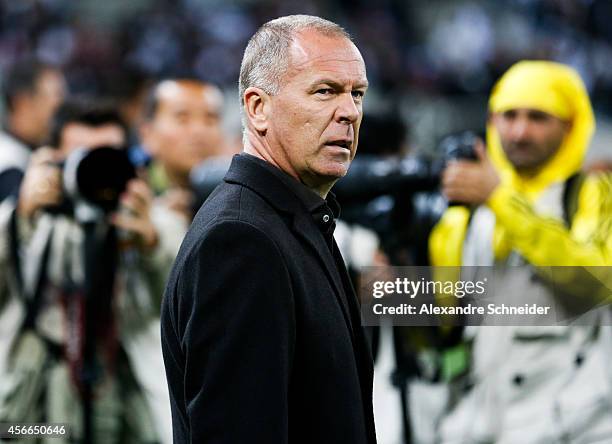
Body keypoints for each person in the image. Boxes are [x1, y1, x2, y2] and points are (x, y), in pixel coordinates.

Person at [161, 15, 376, 444]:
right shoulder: (242, 240)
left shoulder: (292, 219)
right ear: (258, 107)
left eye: (357, 94)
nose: (349, 112)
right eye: (325, 92)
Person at [429, 61, 612, 443]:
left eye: (538, 117)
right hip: (480, 426)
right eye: (508, 116)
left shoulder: (593, 193)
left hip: (574, 428)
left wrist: (501, 199)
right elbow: (444, 326)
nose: (520, 131)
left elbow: (594, 284)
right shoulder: (470, 209)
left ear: (570, 124)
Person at [0, 99, 180, 443]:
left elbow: (180, 309)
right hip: (36, 409)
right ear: (54, 162)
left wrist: (150, 245)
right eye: (83, 158)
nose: (97, 171)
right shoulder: (28, 216)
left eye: (108, 157)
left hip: (124, 402)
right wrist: (20, 218)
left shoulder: (154, 223)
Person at [140, 78, 225, 222]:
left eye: (210, 119)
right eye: (182, 119)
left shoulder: (238, 195)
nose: (199, 131)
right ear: (148, 135)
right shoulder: (133, 195)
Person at [0, 58, 66, 200]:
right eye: (56, 97)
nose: (62, 109)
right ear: (23, 103)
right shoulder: (8, 163)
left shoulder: (29, 153)